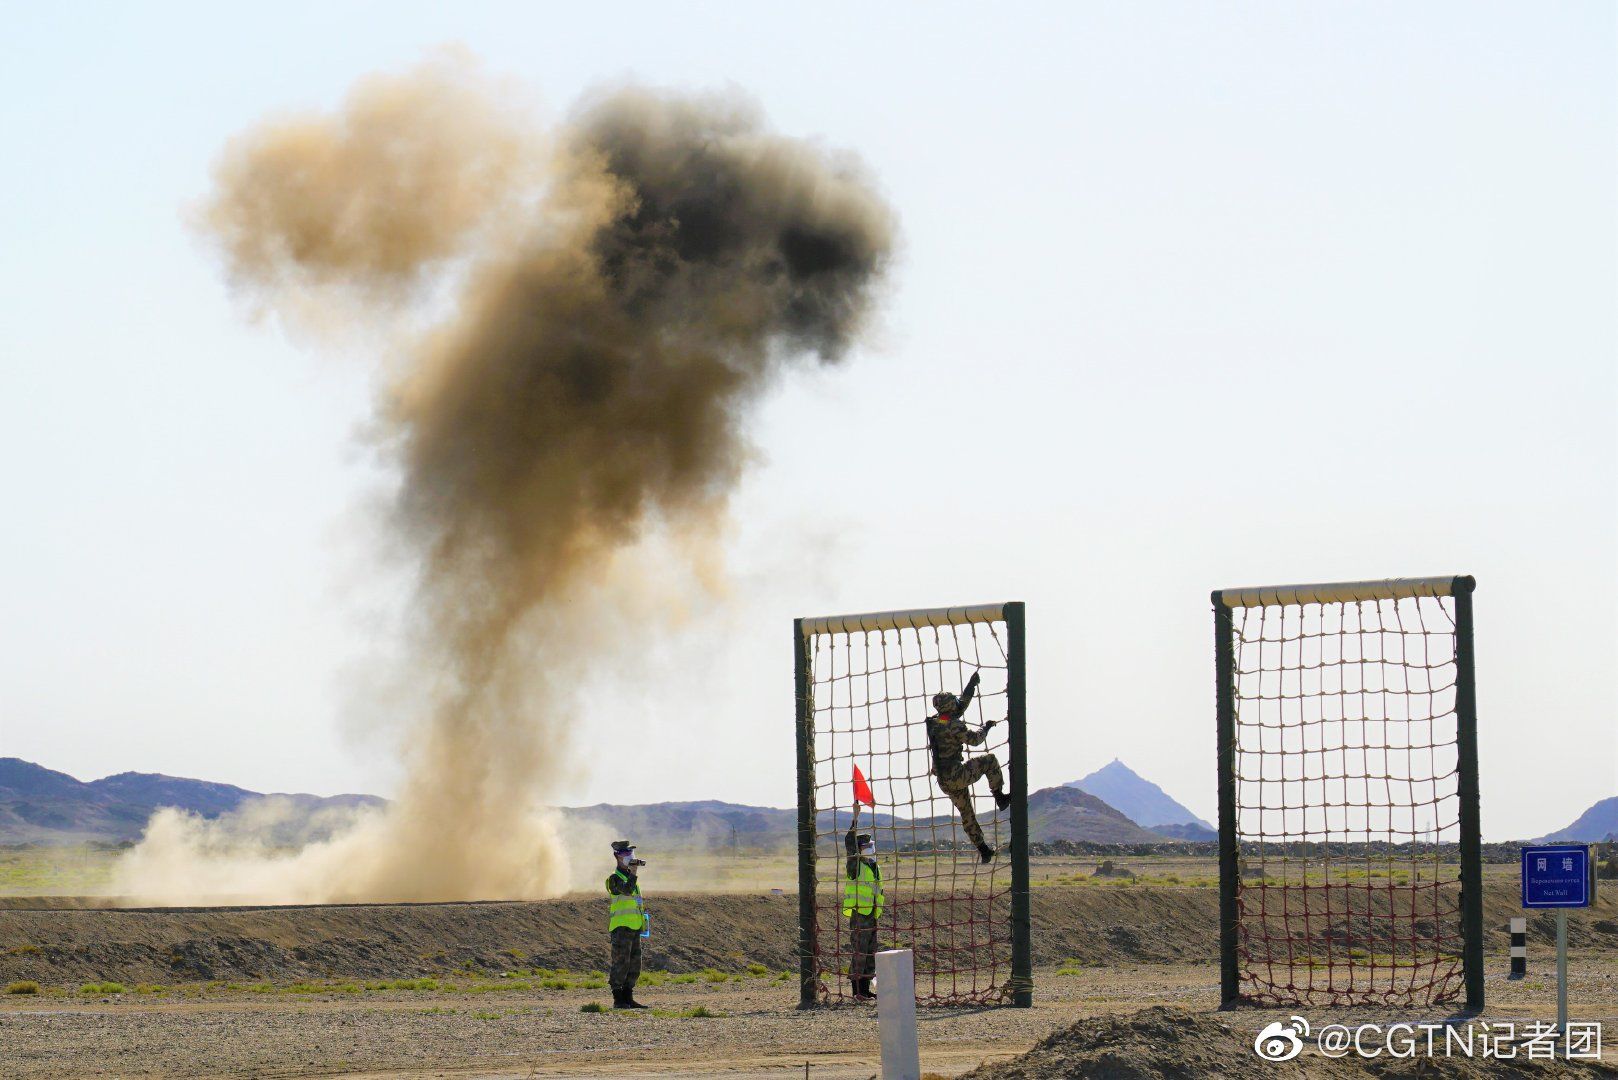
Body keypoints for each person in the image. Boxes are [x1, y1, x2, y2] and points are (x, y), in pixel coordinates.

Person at [926, 670, 1011, 863]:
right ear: (949, 707)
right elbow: (975, 740)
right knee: (990, 760)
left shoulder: (937, 721)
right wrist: (986, 728)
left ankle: (983, 850)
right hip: (956, 774)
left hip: (944, 781)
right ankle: (999, 796)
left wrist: (970, 687)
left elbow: (958, 707)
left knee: (966, 813)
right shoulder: (953, 725)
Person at [843, 806, 884, 1001]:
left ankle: (865, 990)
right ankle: (856, 991)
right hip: (860, 915)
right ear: (860, 849)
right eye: (866, 846)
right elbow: (848, 843)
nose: (871, 848)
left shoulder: (873, 866)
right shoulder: (856, 865)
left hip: (872, 915)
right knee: (859, 953)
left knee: (870, 954)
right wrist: (855, 818)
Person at [605, 840, 648, 1009]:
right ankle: (618, 998)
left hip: (635, 927)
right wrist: (634, 873)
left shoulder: (632, 880)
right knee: (620, 962)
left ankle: (628, 996)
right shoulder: (614, 879)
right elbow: (626, 891)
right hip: (621, 927)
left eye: (631, 854)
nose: (630, 858)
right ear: (617, 857)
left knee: (634, 963)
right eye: (626, 855)